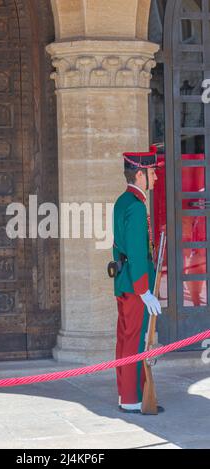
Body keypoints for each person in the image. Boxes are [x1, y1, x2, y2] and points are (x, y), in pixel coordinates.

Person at [113, 145, 164, 414]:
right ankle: (132, 398)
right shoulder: (135, 205)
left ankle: (127, 394)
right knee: (134, 340)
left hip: (125, 282)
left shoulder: (125, 201)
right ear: (140, 174)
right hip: (135, 285)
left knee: (125, 338)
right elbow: (135, 250)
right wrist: (145, 290)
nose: (155, 177)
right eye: (152, 172)